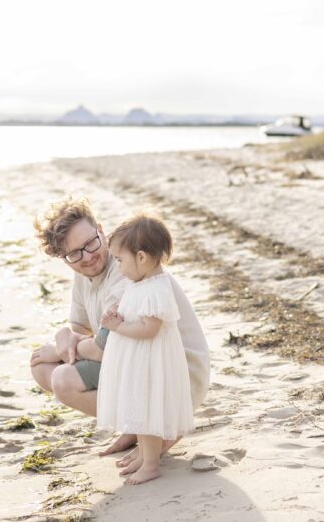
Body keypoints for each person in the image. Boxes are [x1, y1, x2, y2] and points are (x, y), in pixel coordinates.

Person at [30, 198, 210, 469]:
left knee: (64, 379)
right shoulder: (85, 275)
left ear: (101, 230)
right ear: (64, 259)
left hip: (177, 375)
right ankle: (137, 427)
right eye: (75, 254)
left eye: (91, 243)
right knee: (43, 368)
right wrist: (64, 335)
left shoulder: (128, 269)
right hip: (141, 359)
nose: (88, 256)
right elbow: (81, 329)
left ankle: (159, 426)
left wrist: (61, 348)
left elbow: (106, 347)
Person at [97, 215, 193, 485]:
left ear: (141, 258)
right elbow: (134, 313)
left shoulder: (158, 288)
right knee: (138, 408)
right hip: (138, 359)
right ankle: (143, 457)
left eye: (119, 259)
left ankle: (151, 464)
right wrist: (118, 314)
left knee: (147, 410)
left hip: (150, 362)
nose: (117, 265)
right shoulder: (139, 283)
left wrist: (117, 327)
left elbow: (149, 329)